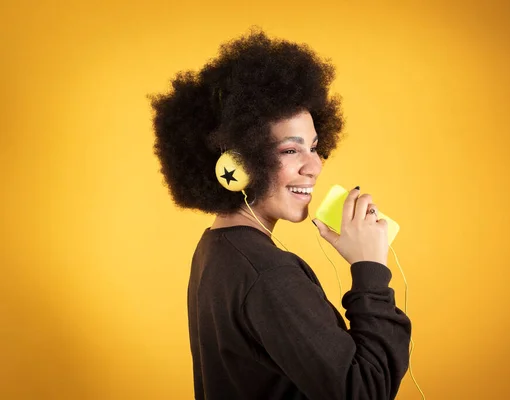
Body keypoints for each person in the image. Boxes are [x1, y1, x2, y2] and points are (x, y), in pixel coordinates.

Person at [149, 27, 411, 400]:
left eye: (315, 148)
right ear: (238, 163)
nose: (315, 167)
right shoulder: (268, 274)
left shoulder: (217, 249)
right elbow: (366, 391)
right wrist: (370, 269)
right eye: (291, 150)